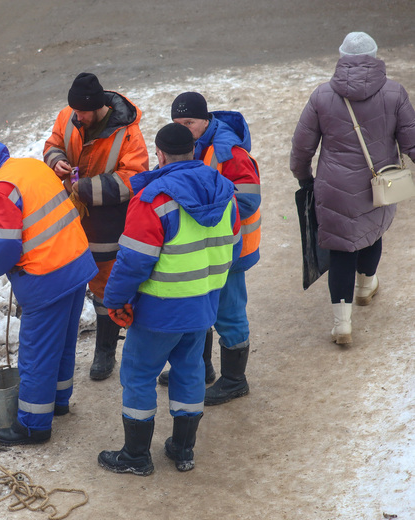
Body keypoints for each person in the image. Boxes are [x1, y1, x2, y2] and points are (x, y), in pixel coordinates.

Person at [98, 123, 241, 475]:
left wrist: (115, 299)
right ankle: (182, 448)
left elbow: (133, 261)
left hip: (159, 309)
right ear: (193, 150)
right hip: (202, 304)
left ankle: (136, 456)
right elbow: (233, 246)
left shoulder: (154, 199)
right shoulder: (224, 191)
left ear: (159, 155)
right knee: (190, 370)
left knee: (139, 375)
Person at [0, 132, 97, 446]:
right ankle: (58, 402)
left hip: (47, 277)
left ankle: (34, 425)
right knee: (63, 342)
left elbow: (4, 247)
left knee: (37, 353)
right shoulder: (29, 167)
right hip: (76, 263)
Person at [290, 32, 415, 344]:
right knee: (372, 232)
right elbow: (412, 141)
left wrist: (304, 177)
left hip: (334, 187)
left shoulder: (322, 96)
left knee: (341, 249)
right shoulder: (395, 93)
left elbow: (302, 147)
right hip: (378, 183)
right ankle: (366, 286)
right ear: (374, 55)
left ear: (342, 57)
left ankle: (342, 324)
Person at [43, 72, 149, 381]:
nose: (77, 117)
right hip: (70, 218)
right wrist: (56, 160)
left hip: (107, 224)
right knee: (69, 278)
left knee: (105, 285)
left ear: (98, 107)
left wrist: (86, 188)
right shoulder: (68, 116)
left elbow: (134, 177)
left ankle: (105, 350)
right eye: (74, 111)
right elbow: (52, 144)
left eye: (82, 112)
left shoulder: (128, 134)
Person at [158, 91, 261, 406]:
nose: (183, 129)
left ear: (206, 120)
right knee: (200, 304)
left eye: (189, 122)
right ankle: (201, 368)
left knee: (228, 312)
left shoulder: (228, 150)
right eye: (177, 123)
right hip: (207, 247)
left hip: (231, 250)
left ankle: (235, 380)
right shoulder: (189, 145)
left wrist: (199, 205)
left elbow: (249, 198)